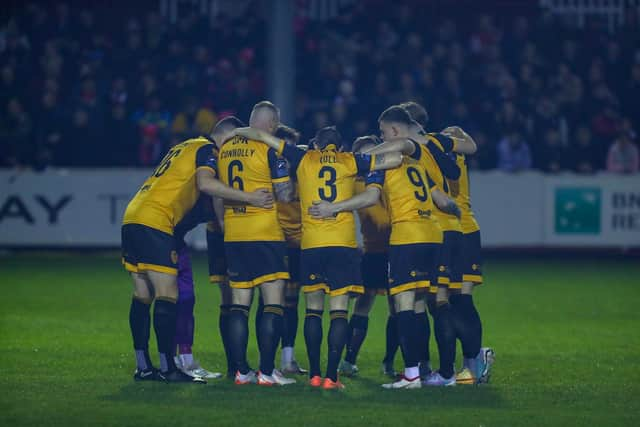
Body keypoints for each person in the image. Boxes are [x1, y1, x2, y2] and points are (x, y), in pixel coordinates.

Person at [234, 125, 402, 389]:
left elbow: (262, 137)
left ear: (315, 144)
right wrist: (373, 158)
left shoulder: (303, 157)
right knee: (338, 313)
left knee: (313, 310)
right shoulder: (350, 160)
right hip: (342, 245)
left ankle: (313, 374)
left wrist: (238, 132)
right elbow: (396, 158)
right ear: (341, 147)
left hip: (311, 245)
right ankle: (331, 378)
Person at [309, 107, 454, 389]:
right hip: (432, 234)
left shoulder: (381, 164)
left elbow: (369, 197)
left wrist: (333, 207)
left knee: (401, 304)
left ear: (393, 132)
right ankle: (430, 370)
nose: (382, 136)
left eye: (384, 132)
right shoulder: (417, 160)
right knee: (422, 304)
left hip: (406, 236)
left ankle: (411, 373)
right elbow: (441, 199)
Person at [122, 123, 273, 383]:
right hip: (157, 221)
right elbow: (206, 184)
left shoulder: (184, 146)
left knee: (142, 295)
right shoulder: (207, 150)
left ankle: (143, 366)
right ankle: (170, 368)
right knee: (168, 295)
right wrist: (250, 198)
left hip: (133, 215)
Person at [216, 101, 296, 386]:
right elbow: (285, 195)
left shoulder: (225, 148)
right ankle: (266, 371)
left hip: (234, 233)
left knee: (239, 304)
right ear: (273, 125)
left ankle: (240, 371)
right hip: (264, 232)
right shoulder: (270, 148)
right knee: (273, 302)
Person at [170, 116, 245, 380]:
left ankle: (184, 360)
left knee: (185, 298)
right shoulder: (208, 151)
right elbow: (210, 189)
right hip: (166, 229)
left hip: (173, 232)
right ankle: (167, 363)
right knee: (170, 298)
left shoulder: (191, 149)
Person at [439, 126, 496, 385]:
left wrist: (455, 133)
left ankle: (475, 360)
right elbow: (470, 142)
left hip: (463, 231)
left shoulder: (438, 149)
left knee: (461, 299)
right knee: (447, 303)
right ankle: (466, 363)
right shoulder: (446, 148)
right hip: (447, 232)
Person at [337, 135, 393, 378]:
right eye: (366, 155)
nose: (372, 159)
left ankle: (388, 362)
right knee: (366, 304)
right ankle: (349, 360)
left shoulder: (386, 178)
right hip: (376, 250)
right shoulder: (361, 183)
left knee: (396, 306)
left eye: (375, 153)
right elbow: (379, 220)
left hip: (396, 248)